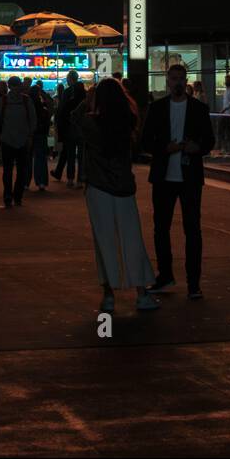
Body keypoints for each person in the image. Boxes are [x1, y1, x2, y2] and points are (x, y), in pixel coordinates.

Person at [73, 77, 160, 313]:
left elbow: (74, 120)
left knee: (105, 242)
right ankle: (141, 293)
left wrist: (88, 98)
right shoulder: (128, 120)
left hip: (98, 187)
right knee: (132, 239)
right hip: (123, 186)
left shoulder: (91, 124)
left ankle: (108, 294)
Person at [142, 62, 215, 299]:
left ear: (186, 80)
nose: (177, 83)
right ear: (168, 81)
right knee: (161, 228)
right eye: (173, 79)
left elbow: (209, 141)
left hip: (189, 177)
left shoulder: (198, 109)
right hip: (165, 177)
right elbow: (145, 141)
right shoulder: (157, 108)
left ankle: (193, 282)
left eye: (180, 79)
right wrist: (167, 148)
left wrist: (197, 147)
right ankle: (166, 275)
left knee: (192, 230)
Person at [0, 76, 37, 208]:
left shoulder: (4, 101)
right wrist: (30, 135)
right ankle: (17, 196)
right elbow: (33, 120)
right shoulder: (26, 101)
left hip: (7, 140)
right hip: (22, 140)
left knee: (8, 170)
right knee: (21, 170)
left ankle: (8, 196)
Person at [52, 72, 86, 187]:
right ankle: (80, 179)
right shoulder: (84, 93)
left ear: (70, 79)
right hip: (82, 127)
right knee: (81, 156)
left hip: (70, 127)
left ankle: (70, 179)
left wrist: (60, 126)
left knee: (71, 154)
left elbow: (62, 110)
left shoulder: (67, 92)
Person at [28, 82, 54, 191]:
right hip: (41, 133)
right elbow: (50, 110)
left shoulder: (28, 103)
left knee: (27, 158)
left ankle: (25, 182)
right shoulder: (42, 106)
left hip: (29, 134)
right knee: (41, 158)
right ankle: (41, 182)